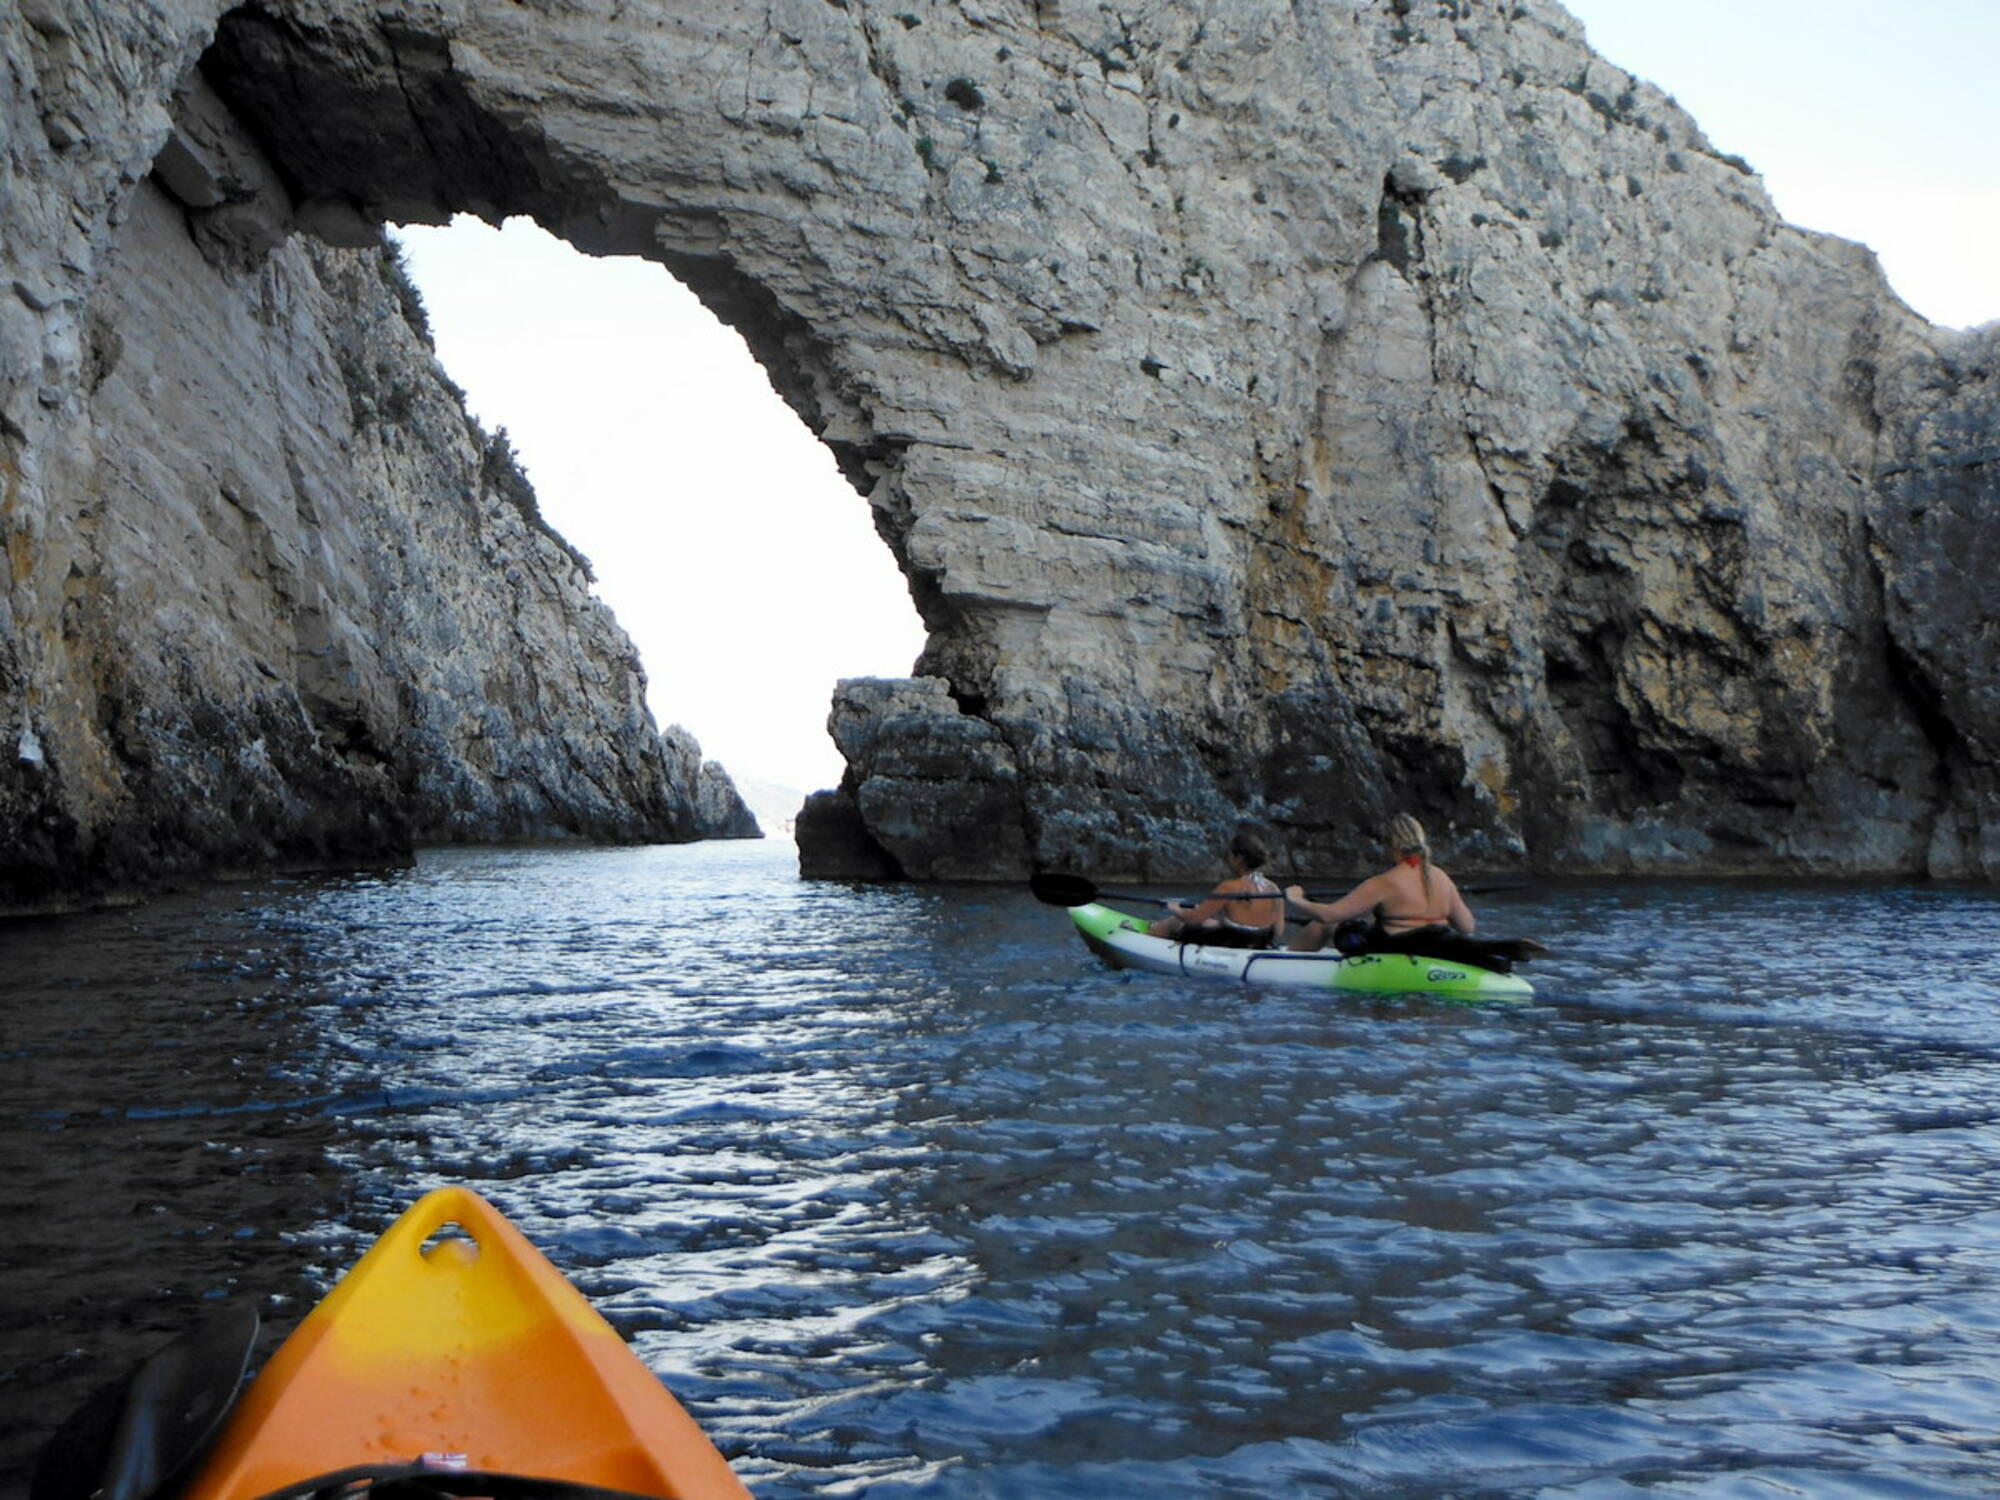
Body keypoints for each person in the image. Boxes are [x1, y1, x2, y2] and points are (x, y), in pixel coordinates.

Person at [1284, 813, 1549, 970]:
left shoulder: (1385, 882)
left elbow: (1330, 914)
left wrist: (1296, 900)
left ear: (1393, 845)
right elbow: (1467, 926)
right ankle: (1501, 949)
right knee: (1450, 939)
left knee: (1327, 925)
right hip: (1436, 941)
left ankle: (1283, 961)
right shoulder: (1441, 876)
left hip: (1398, 947)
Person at [1149, 827, 1286, 949]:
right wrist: (1224, 922)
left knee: (1176, 921)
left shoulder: (1229, 887)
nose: (1228, 858)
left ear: (1238, 858)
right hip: (1257, 942)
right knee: (1212, 922)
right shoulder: (1274, 888)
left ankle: (1147, 936)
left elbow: (1194, 918)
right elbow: (1278, 930)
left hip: (1231, 943)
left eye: (1230, 854)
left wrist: (1175, 908)